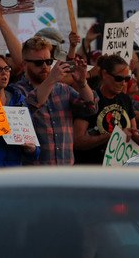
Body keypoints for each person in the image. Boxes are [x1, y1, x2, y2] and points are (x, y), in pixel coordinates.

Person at [11, 36, 97, 165]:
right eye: (39, 63)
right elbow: (30, 107)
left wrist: (82, 83)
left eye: (49, 61)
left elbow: (91, 108)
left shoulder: (63, 89)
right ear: (24, 64)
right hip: (34, 175)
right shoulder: (16, 92)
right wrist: (51, 79)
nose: (45, 66)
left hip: (64, 172)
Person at [73, 54, 139, 165]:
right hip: (91, 169)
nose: (123, 83)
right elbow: (78, 141)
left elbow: (135, 136)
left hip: (118, 170)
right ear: (104, 74)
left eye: (126, 79)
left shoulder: (125, 99)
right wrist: (113, 136)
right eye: (119, 78)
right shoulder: (90, 99)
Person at [0, 54, 39, 167]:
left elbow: (35, 150)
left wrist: (32, 149)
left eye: (7, 69)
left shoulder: (19, 101)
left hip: (12, 175)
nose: (4, 73)